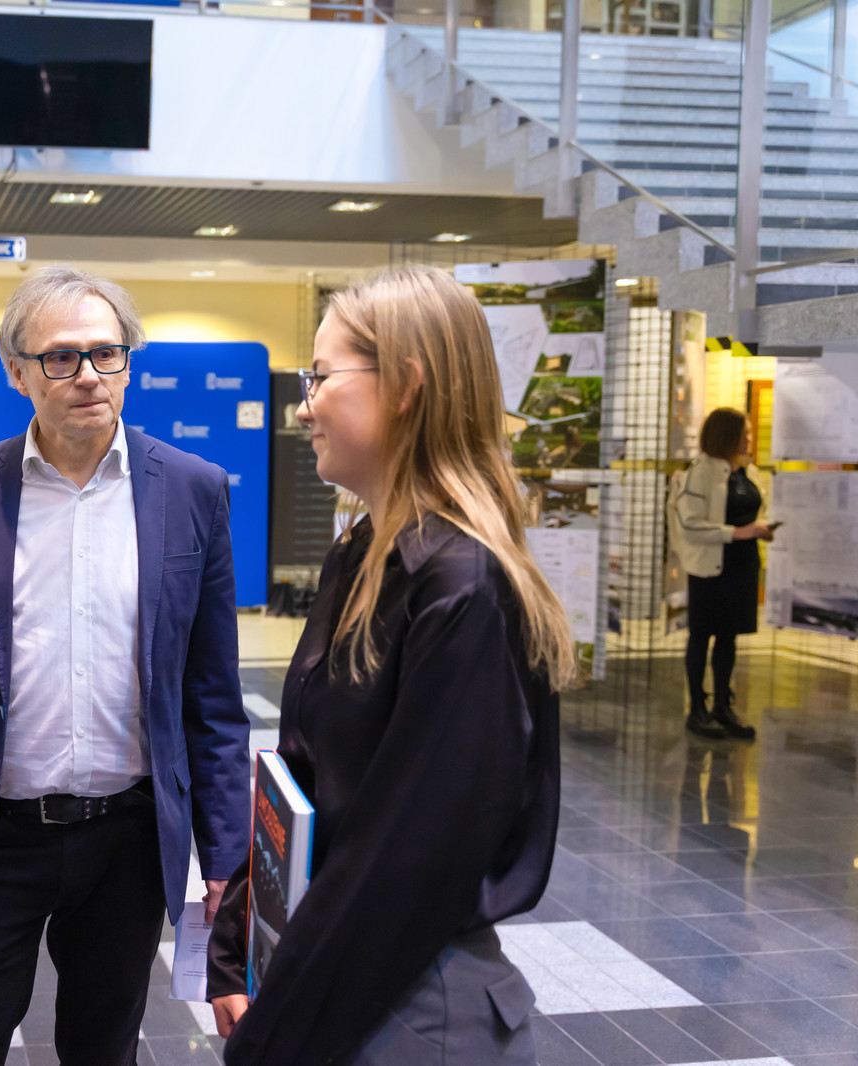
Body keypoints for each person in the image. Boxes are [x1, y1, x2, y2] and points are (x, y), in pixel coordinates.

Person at [0, 264, 251, 1066]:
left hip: (128, 842)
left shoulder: (193, 491)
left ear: (128, 362)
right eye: (61, 357)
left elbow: (213, 700)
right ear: (17, 373)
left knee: (103, 1050)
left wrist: (227, 858)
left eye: (106, 353)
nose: (88, 375)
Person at [206, 266, 574, 1065]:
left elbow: (402, 862)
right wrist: (238, 936)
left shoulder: (463, 586)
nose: (303, 406)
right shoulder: (363, 557)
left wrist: (274, 1030)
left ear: (406, 385)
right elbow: (305, 772)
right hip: (337, 976)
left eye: (321, 377)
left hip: (405, 1003)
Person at [669, 407, 770, 740]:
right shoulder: (700, 473)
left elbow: (750, 513)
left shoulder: (747, 472)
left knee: (729, 637)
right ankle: (697, 710)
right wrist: (737, 533)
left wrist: (761, 529)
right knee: (702, 636)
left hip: (743, 566)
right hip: (710, 569)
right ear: (726, 435)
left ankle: (723, 707)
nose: (749, 439)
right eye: (744, 433)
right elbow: (690, 524)